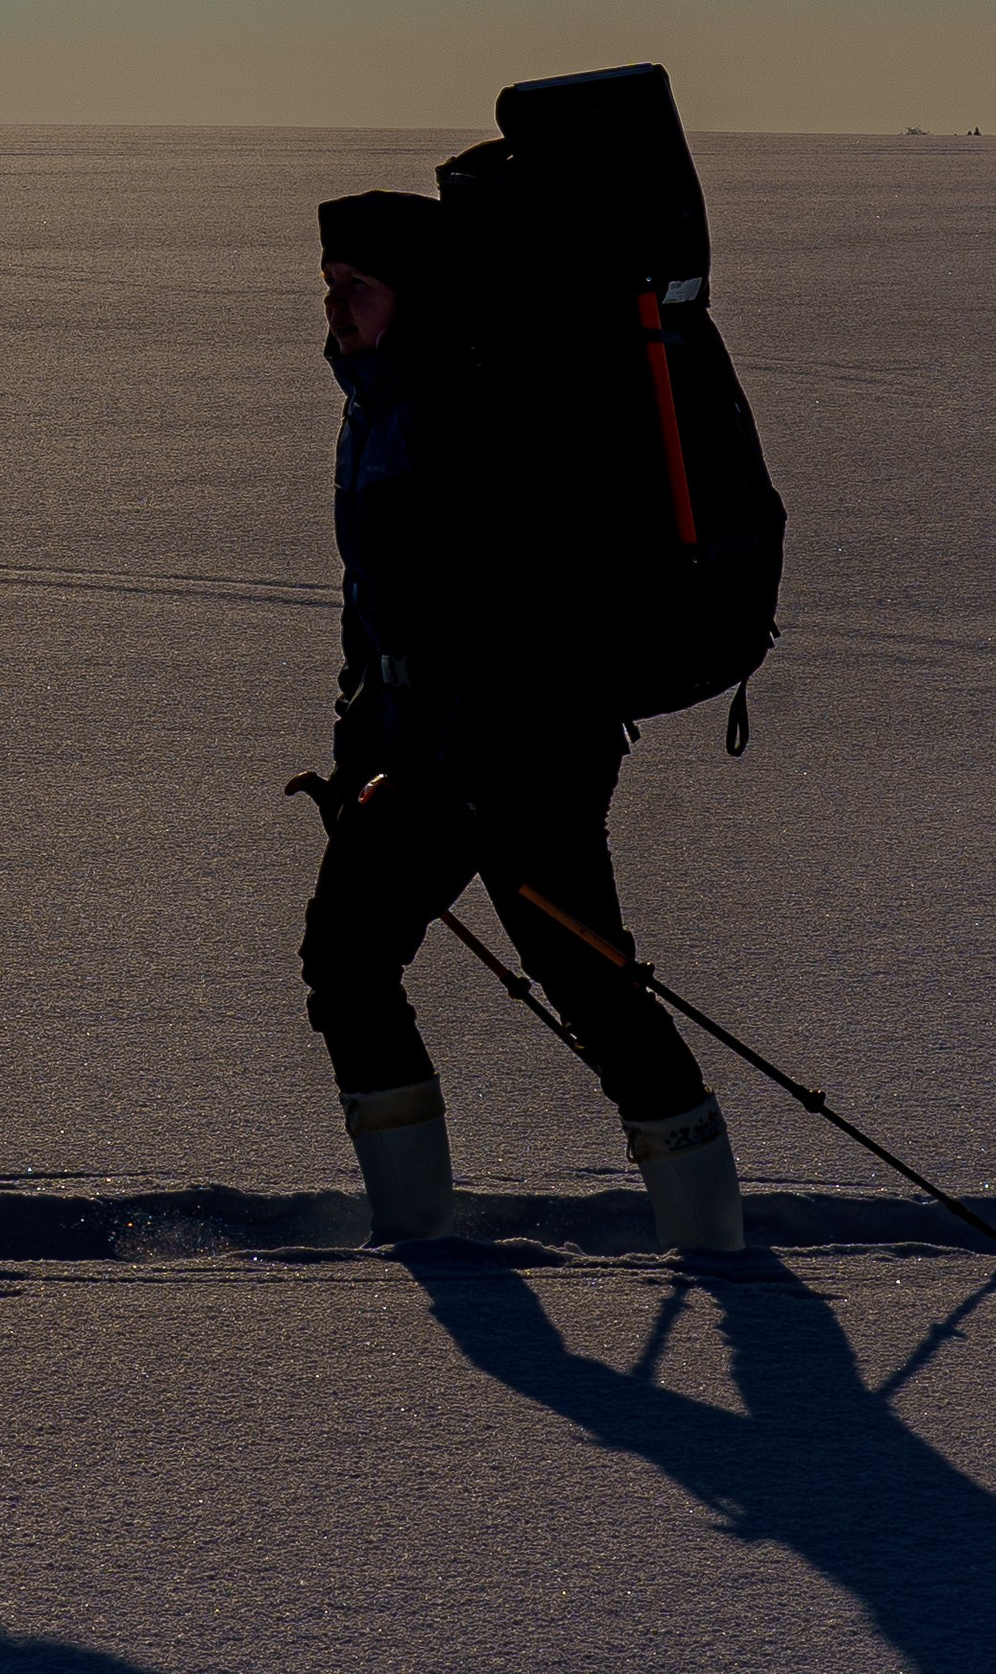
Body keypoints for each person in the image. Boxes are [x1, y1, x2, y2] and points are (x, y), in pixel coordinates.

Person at [296, 187, 744, 1250]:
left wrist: (441, 773)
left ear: (415, 295)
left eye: (356, 287)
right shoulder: (383, 402)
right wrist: (359, 747)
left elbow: (511, 620)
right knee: (358, 963)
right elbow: (382, 609)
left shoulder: (465, 411)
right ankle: (420, 1227)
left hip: (524, 754)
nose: (335, 308)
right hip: (428, 752)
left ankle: (711, 1245)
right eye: (328, 287)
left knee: (583, 981)